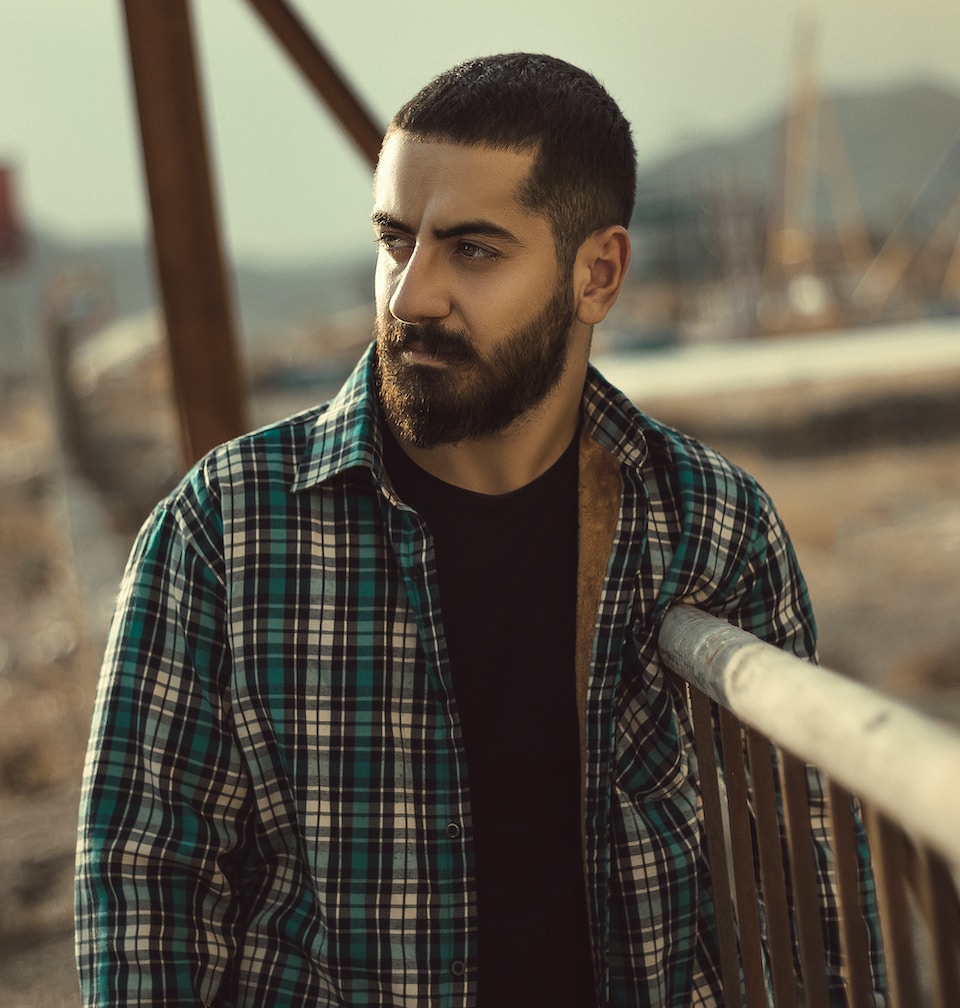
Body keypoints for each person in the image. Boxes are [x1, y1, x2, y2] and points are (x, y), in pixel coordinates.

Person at [76, 53, 883, 1006]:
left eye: (473, 249)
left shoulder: (711, 528)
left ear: (598, 273)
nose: (411, 294)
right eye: (395, 241)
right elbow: (141, 891)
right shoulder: (227, 530)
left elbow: (808, 898)